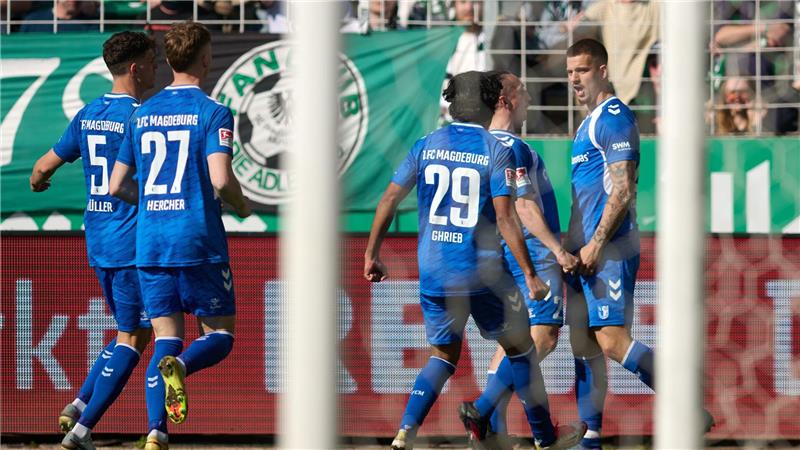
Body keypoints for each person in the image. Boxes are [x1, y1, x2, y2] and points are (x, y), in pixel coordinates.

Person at [363, 71, 585, 450]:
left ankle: (404, 433)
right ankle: (544, 439)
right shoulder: (493, 149)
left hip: (432, 271)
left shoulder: (425, 145)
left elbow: (388, 200)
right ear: (488, 102)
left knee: (442, 357)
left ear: (451, 103)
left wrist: (372, 254)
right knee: (521, 348)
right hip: (479, 273)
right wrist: (530, 274)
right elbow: (506, 217)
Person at [564, 38, 714, 449]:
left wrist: (595, 243)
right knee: (586, 342)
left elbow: (624, 188)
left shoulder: (614, 116)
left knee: (611, 338)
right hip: (584, 248)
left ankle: (685, 405)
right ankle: (590, 437)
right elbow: (589, 193)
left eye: (582, 69)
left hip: (610, 247)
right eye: (570, 71)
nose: (575, 78)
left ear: (602, 70)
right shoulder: (586, 122)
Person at [109, 21, 251, 450]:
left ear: (168, 61)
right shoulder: (213, 112)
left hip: (149, 242)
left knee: (164, 337)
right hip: (197, 241)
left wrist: (150, 199)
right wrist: (242, 206)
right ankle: (182, 368)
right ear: (206, 60)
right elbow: (221, 180)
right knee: (219, 337)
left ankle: (156, 433)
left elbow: (117, 185)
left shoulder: (142, 112)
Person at [29, 31, 157, 450]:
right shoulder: (142, 116)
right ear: (135, 67)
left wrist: (39, 183)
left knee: (128, 332)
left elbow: (42, 167)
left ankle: (80, 404)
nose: (158, 68)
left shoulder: (89, 112)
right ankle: (82, 430)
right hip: (132, 242)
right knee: (136, 337)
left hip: (99, 239)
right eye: (153, 61)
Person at [467, 70, 580, 449]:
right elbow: (525, 206)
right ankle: (482, 411)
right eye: (522, 90)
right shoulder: (511, 146)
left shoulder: (479, 144)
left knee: (511, 345)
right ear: (505, 100)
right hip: (529, 251)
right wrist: (557, 249)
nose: (529, 97)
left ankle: (491, 433)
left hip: (495, 255)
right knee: (543, 338)